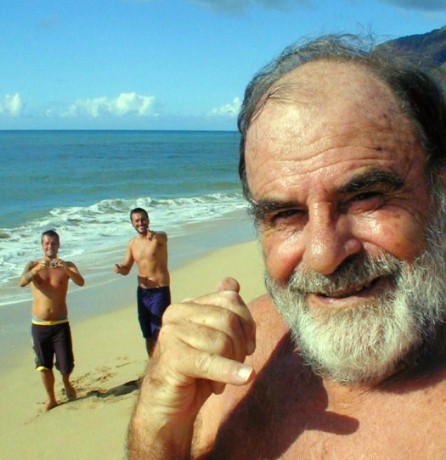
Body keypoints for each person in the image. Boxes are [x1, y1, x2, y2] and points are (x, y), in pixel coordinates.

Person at [127, 35, 446, 458]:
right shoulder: (239, 358)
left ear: (440, 190)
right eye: (286, 214)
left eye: (365, 197)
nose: (324, 256)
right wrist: (156, 427)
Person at [19, 229, 85, 411]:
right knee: (43, 365)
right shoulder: (32, 265)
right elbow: (22, 282)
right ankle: (51, 399)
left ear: (58, 245)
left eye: (53, 243)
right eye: (47, 243)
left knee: (66, 364)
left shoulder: (67, 265)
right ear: (42, 245)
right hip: (39, 325)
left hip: (60, 323)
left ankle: (66, 381)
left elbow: (81, 282)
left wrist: (65, 269)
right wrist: (36, 271)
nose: (50, 246)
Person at [114, 207, 171, 357]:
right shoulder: (132, 244)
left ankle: (163, 362)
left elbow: (164, 236)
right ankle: (152, 363)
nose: (140, 223)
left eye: (143, 219)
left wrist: (155, 234)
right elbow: (127, 269)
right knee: (147, 333)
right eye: (137, 220)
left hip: (159, 291)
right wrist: (120, 269)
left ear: (148, 220)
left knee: (159, 331)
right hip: (143, 293)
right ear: (132, 223)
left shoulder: (157, 238)